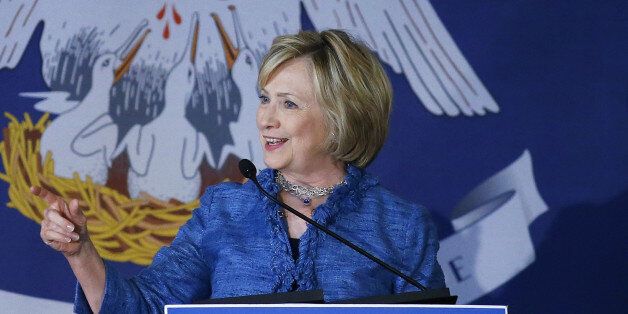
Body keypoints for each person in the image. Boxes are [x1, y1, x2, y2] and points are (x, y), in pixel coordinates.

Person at [34, 29, 446, 313]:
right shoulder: (224, 210)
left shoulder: (402, 226)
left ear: (342, 117)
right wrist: (80, 252)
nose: (265, 118)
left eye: (288, 103)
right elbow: (145, 307)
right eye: (264, 99)